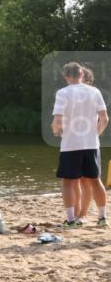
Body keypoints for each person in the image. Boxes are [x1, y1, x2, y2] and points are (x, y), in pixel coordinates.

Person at [52, 61, 108, 228]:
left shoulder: (62, 93)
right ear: (82, 74)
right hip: (91, 144)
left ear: (65, 76)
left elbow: (58, 120)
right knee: (95, 181)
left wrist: (57, 130)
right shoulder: (95, 91)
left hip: (71, 144)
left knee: (68, 181)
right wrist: (95, 134)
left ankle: (70, 220)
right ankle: (102, 217)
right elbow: (105, 118)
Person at [75, 67, 97, 221]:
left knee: (87, 180)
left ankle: (82, 214)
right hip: (74, 142)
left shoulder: (93, 94)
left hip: (88, 142)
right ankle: (77, 213)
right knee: (75, 180)